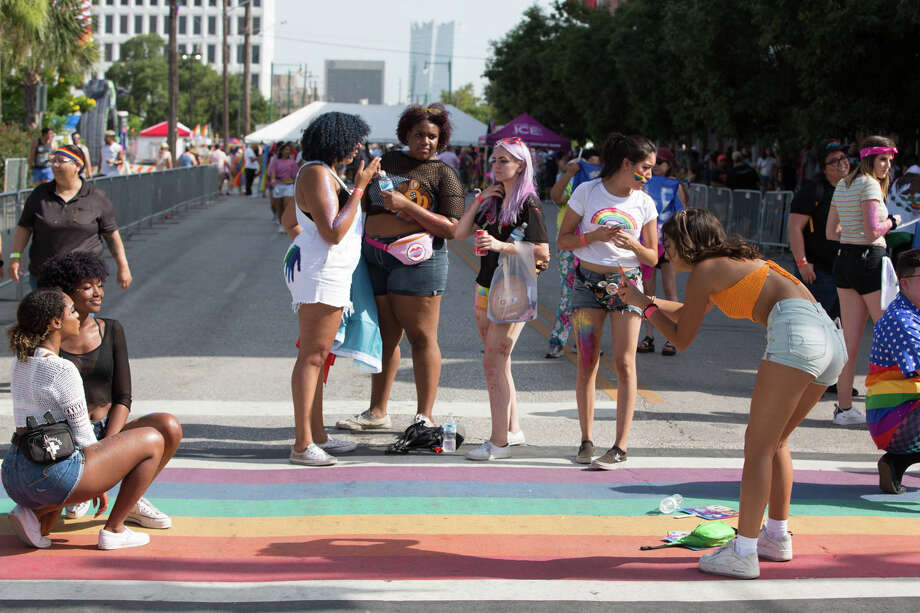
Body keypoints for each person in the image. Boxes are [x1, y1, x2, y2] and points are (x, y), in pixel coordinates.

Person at [617, 208, 847, 579]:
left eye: (670, 243)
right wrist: (643, 301)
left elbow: (681, 337)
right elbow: (688, 313)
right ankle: (776, 536)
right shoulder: (729, 263)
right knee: (776, 443)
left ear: (689, 243)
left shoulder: (706, 270)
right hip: (828, 339)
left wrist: (643, 307)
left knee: (758, 446)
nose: (665, 253)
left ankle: (743, 553)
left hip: (798, 334)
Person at [2, 288, 168, 550]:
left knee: (80, 468)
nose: (77, 316)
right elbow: (86, 440)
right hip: (50, 474)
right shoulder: (62, 368)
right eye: (71, 311)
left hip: (14, 474)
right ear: (56, 322)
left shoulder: (21, 361)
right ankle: (114, 530)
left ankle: (31, 513)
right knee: (153, 439)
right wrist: (99, 483)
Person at [336, 104, 464, 432]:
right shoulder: (386, 162)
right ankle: (377, 411)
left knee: (421, 337)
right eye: (420, 134)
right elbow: (360, 203)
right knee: (385, 336)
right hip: (376, 257)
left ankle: (424, 416)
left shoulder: (443, 173)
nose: (426, 141)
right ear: (406, 134)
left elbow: (453, 227)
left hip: (418, 260)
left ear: (441, 139)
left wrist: (408, 206)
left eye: (433, 136)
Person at [37, 251, 182, 524]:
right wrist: (90, 450)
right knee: (45, 525)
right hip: (67, 439)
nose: (98, 293)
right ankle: (78, 492)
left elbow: (123, 397)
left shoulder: (112, 329)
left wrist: (108, 445)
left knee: (168, 426)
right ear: (65, 295)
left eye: (99, 284)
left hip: (107, 430)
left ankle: (131, 500)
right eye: (87, 286)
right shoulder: (50, 341)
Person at [281, 112, 381, 466]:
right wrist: (359, 187)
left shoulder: (319, 172)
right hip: (322, 275)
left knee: (318, 356)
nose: (358, 147)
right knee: (312, 356)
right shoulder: (318, 173)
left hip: (325, 271)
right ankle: (302, 444)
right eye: (353, 140)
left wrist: (303, 246)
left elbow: (289, 220)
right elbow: (334, 231)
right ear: (334, 139)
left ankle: (317, 434)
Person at [556, 133, 659, 467]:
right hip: (587, 283)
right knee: (587, 359)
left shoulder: (644, 201)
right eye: (645, 168)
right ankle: (586, 440)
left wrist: (635, 247)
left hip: (627, 285)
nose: (649, 175)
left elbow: (653, 256)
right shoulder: (588, 191)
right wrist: (592, 236)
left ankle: (620, 446)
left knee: (625, 363)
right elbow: (563, 240)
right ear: (626, 164)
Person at [454, 137, 550, 460]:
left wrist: (500, 246)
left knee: (492, 361)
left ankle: (499, 443)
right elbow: (459, 233)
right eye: (494, 160)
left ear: (520, 165)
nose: (495, 166)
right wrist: (477, 201)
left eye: (503, 161)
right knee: (498, 361)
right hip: (485, 286)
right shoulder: (494, 200)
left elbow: (542, 252)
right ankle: (512, 429)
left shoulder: (529, 204)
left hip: (514, 290)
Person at [826, 135, 901, 425]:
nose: (887, 166)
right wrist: (892, 222)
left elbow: (831, 232)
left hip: (845, 260)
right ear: (870, 159)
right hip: (870, 261)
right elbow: (874, 231)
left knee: (850, 341)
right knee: (892, 335)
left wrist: (854, 231)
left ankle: (844, 409)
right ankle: (894, 408)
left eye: (890, 161)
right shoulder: (869, 184)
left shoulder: (844, 184)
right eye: (883, 159)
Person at [8, 145, 133, 291]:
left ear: (77, 165)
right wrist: (15, 257)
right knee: (47, 313)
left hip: (84, 280)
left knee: (81, 315)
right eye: (53, 161)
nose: (55, 165)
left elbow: (111, 235)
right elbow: (24, 228)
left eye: (61, 161)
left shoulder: (96, 197)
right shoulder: (39, 194)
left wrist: (123, 266)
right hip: (46, 277)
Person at [787, 139, 851, 397]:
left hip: (844, 268)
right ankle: (806, 376)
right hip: (818, 269)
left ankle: (832, 378)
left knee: (840, 328)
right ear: (824, 168)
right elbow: (794, 227)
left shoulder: (851, 189)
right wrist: (802, 263)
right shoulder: (814, 191)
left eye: (844, 158)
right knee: (815, 327)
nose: (842, 163)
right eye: (834, 160)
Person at [867, 249, 920, 494]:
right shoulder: (901, 319)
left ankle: (896, 463)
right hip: (895, 418)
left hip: (900, 414)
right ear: (906, 283)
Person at [546, 148, 602, 359]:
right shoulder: (576, 180)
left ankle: (585, 341)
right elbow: (555, 196)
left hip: (595, 247)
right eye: (591, 166)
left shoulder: (607, 187)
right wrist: (570, 173)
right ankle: (558, 340)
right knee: (569, 294)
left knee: (591, 296)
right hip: (570, 246)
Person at [637, 146, 687, 356]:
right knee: (647, 292)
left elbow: (683, 216)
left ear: (668, 165)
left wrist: (678, 243)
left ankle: (672, 337)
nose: (656, 168)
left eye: (661, 163)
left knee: (669, 291)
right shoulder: (643, 182)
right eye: (654, 163)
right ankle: (648, 335)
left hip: (667, 245)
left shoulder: (676, 185)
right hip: (646, 243)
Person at [273, 143, 300, 236]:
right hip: (279, 185)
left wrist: (293, 182)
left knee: (286, 205)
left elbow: (295, 174)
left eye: (288, 150)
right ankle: (280, 223)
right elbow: (272, 172)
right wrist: (273, 180)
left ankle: (284, 224)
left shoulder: (292, 162)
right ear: (281, 151)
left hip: (288, 185)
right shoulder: (276, 161)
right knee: (279, 206)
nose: (287, 151)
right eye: (285, 149)